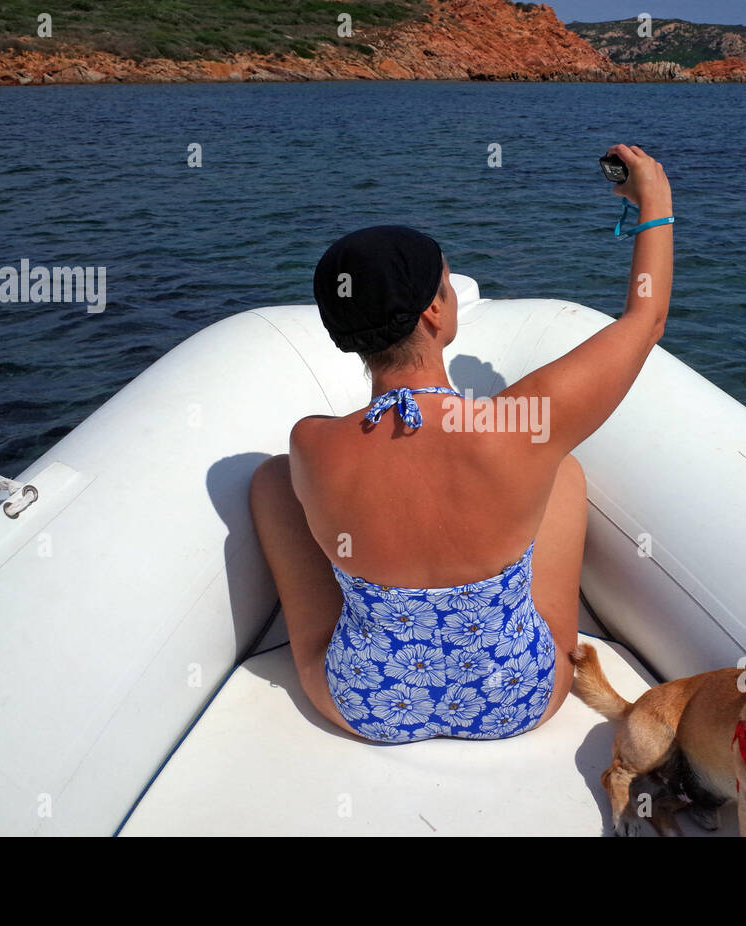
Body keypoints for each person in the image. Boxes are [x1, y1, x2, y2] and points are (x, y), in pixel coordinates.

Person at [250, 143, 673, 743]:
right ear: (432, 312)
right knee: (561, 469)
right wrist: (654, 202)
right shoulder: (520, 426)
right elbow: (645, 320)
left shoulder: (312, 443)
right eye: (448, 285)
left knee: (273, 478)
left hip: (364, 705)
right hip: (518, 698)